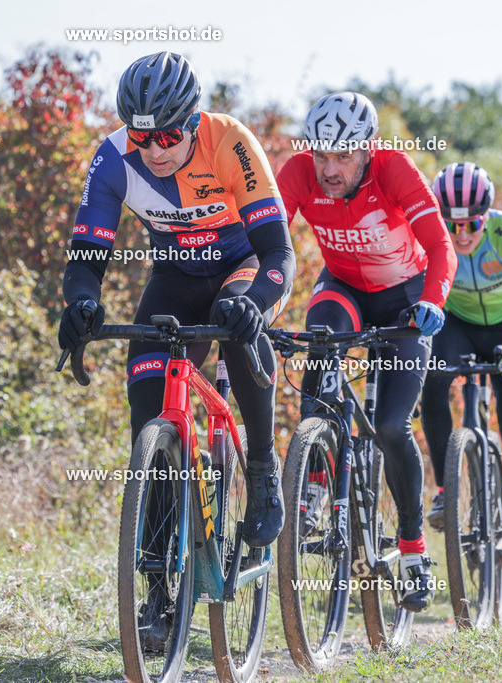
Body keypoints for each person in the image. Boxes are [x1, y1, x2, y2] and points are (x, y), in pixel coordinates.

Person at [58, 52, 294, 646]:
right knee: (147, 410)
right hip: (175, 277)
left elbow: (278, 253)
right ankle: (159, 592)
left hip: (243, 268)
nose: (155, 150)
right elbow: (86, 256)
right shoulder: (113, 159)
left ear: (192, 122)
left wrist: (256, 304)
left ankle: (261, 466)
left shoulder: (230, 142)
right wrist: (81, 303)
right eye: (143, 137)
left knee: (235, 324)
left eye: (167, 136)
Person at [276, 91, 456, 612]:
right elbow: (267, 240)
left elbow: (440, 246)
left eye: (343, 156)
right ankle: (314, 482)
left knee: (392, 427)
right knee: (320, 343)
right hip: (344, 289)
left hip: (406, 299)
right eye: (321, 155)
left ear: (367, 149)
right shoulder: (299, 173)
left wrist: (433, 301)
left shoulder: (395, 169)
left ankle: (413, 547)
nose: (329, 169)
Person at [418, 162, 502, 586]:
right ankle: (444, 490)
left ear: (486, 215)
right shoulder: (431, 233)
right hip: (459, 325)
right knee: (434, 377)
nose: (461, 235)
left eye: (471, 224)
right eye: (451, 225)